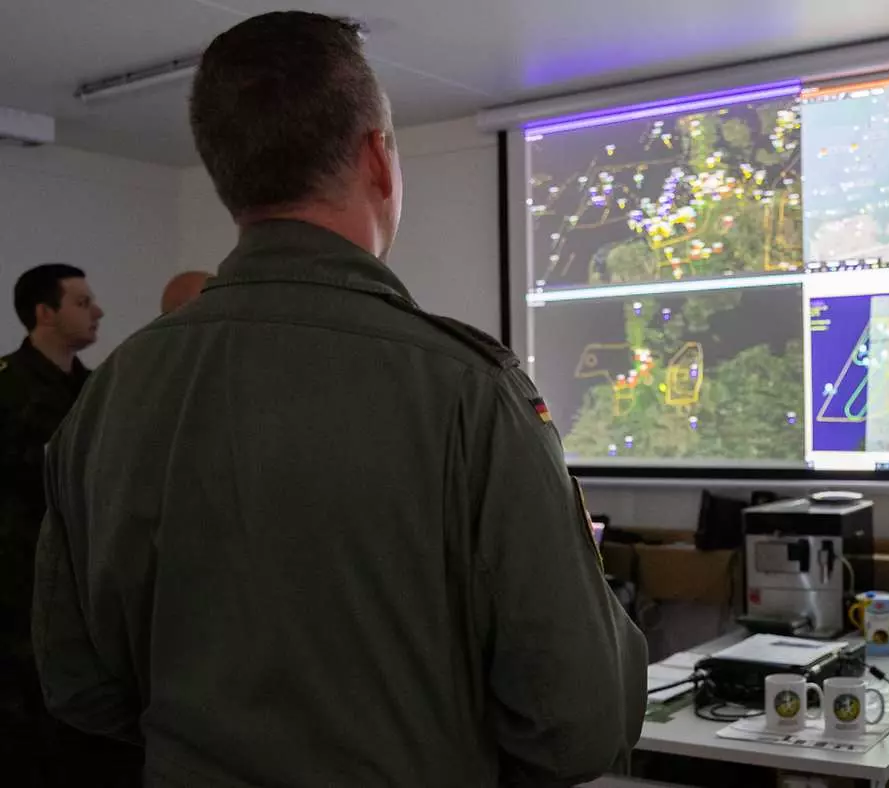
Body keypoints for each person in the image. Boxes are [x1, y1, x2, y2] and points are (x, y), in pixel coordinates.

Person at [31, 11, 646, 788]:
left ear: (227, 176)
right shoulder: (468, 390)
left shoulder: (107, 395)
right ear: (377, 160)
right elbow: (578, 725)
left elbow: (79, 686)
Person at [0, 265, 140, 786]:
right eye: (82, 301)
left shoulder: (99, 390)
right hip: (15, 595)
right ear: (45, 313)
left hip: (85, 586)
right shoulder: (8, 389)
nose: (97, 310)